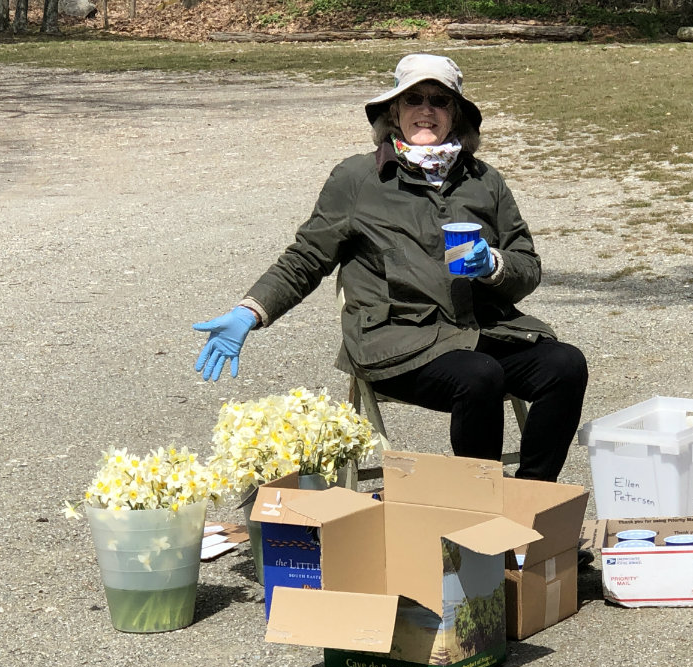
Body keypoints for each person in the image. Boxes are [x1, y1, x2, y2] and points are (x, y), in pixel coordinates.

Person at [193, 53, 588, 484]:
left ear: (455, 114)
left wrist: (493, 265)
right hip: (397, 338)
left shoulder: (483, 180)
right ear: (393, 111)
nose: (425, 110)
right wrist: (251, 311)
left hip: (477, 330)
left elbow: (527, 264)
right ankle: (483, 514)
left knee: (564, 365)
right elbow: (307, 256)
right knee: (480, 376)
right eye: (412, 98)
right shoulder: (358, 179)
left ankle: (533, 500)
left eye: (439, 100)